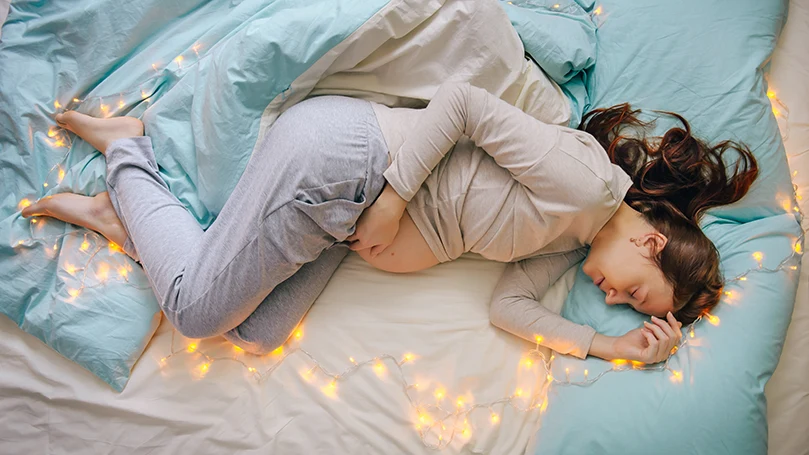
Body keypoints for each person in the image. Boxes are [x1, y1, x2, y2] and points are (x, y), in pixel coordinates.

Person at [22, 82, 757, 363]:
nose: (613, 298)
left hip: (335, 217)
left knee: (255, 331)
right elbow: (464, 104)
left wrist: (615, 347)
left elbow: (508, 308)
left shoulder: (569, 243)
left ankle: (126, 220)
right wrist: (396, 198)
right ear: (651, 241)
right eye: (635, 293)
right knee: (193, 315)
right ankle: (130, 153)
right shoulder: (588, 187)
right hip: (346, 164)